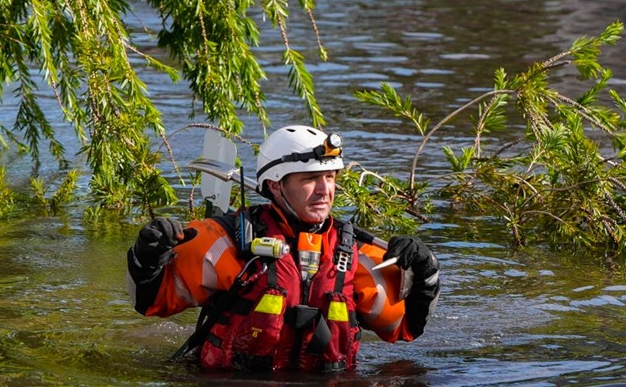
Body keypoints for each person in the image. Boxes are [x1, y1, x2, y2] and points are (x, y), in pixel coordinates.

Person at [126, 125, 440, 372]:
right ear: (276, 185)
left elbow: (403, 329)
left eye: (330, 177)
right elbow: (148, 303)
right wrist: (148, 257)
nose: (324, 190)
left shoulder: (356, 254)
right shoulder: (224, 241)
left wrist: (426, 274)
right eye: (310, 179)